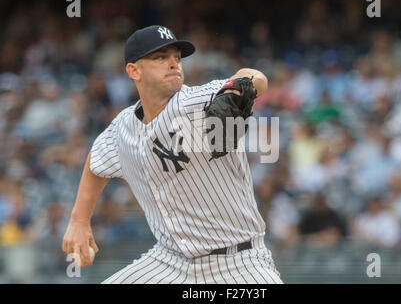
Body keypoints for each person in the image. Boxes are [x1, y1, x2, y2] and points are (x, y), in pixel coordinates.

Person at [62, 25, 283, 284]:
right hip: (169, 262)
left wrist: (238, 87)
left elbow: (256, 77)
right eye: (160, 58)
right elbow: (96, 162)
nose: (173, 64)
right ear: (134, 71)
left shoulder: (197, 102)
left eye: (177, 58)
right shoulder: (123, 127)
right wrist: (79, 221)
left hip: (238, 262)